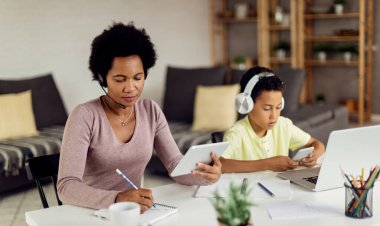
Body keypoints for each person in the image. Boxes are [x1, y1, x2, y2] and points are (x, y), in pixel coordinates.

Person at [57, 22, 222, 211]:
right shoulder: (84, 116)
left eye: (137, 77)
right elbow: (66, 186)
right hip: (89, 211)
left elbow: (175, 164)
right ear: (102, 77)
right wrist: (118, 198)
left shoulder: (150, 110)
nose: (130, 88)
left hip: (132, 211)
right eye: (120, 80)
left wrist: (205, 175)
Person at [220, 66, 325, 173]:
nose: (274, 116)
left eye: (278, 107)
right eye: (267, 108)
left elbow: (317, 143)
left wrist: (314, 154)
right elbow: (221, 164)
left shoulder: (283, 125)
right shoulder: (237, 133)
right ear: (247, 105)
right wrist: (268, 164)